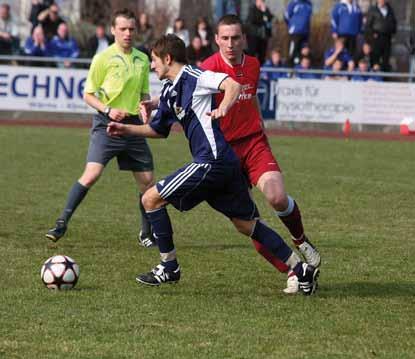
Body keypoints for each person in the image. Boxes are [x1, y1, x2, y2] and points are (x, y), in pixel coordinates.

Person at [107, 34, 320, 295]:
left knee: (150, 199)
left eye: (153, 60)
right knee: (246, 225)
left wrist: (224, 109)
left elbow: (232, 85)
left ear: (168, 58)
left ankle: (169, 267)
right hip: (222, 164)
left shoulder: (196, 76)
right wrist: (125, 129)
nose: (152, 66)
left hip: (212, 161)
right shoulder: (169, 90)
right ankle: (301, 270)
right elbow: (157, 130)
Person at [201, 15, 321, 294]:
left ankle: (301, 240)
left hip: (254, 143)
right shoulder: (207, 69)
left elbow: (251, 95)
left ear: (243, 38)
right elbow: (186, 96)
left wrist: (260, 125)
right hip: (225, 154)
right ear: (217, 40)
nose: (231, 44)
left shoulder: (253, 65)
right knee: (248, 223)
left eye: (236, 38)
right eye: (225, 38)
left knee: (277, 196)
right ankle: (293, 271)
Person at [46, 8, 155, 248]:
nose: (128, 33)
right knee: (92, 174)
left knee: (147, 180)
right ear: (114, 30)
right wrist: (108, 110)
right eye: (123, 29)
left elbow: (144, 92)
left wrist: (146, 107)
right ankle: (62, 222)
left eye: (131, 29)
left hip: (134, 126)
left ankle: (146, 234)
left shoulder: (143, 58)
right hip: (107, 126)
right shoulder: (103, 58)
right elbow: (88, 94)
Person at [364, 0, 397, 72]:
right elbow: (367, 26)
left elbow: (394, 23)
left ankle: (384, 78)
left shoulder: (390, 10)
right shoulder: (372, 10)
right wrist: (368, 39)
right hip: (375, 39)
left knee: (385, 60)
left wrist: (392, 33)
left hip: (387, 39)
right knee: (375, 59)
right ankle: (373, 78)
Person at [284, 0, 313, 66]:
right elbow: (286, 16)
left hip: (305, 33)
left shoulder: (309, 4)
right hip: (295, 33)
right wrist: (292, 25)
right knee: (292, 53)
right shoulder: (294, 3)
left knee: (304, 53)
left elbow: (308, 19)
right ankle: (289, 72)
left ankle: (300, 73)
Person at [246, 0, 273, 64]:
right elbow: (252, 21)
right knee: (251, 54)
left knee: (262, 55)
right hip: (253, 36)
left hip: (263, 37)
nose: (261, 2)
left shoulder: (266, 10)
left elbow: (269, 19)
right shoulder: (252, 9)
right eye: (260, 1)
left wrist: (264, 12)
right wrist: (262, 20)